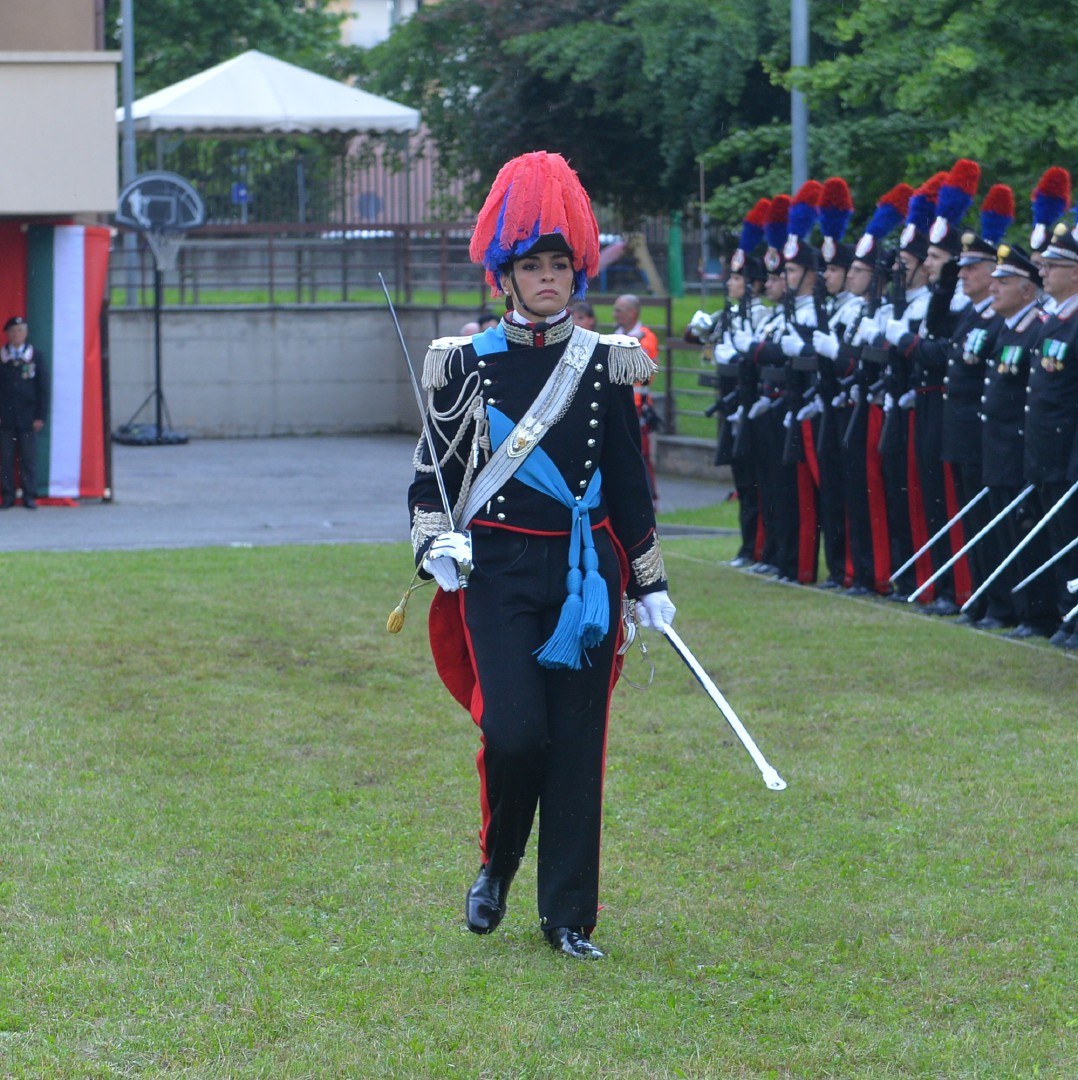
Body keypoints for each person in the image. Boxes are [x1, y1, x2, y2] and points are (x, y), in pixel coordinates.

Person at [406, 151, 675, 961]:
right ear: (506, 276)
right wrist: (436, 546)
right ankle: (497, 865)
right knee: (517, 733)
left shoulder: (603, 361)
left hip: (588, 574)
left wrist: (651, 581)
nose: (551, 278)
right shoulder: (466, 362)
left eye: (561, 264)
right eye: (534, 265)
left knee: (579, 745)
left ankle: (567, 917)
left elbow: (630, 484)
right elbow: (430, 483)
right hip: (498, 569)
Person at [612, 293, 660, 504]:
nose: (615, 314)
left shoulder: (644, 338)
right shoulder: (618, 334)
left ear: (632, 312)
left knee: (642, 454)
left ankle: (649, 499)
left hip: (638, 407)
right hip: (621, 404)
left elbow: (640, 373)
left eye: (619, 310)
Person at [0, 315, 48, 510]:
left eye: (20, 331)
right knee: (6, 459)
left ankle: (29, 496)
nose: (16, 334)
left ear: (25, 333)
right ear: (8, 334)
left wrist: (40, 416)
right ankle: (8, 496)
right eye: (13, 331)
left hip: (28, 417)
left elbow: (43, 389)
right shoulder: (3, 356)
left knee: (28, 459)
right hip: (6, 418)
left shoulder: (35, 356)